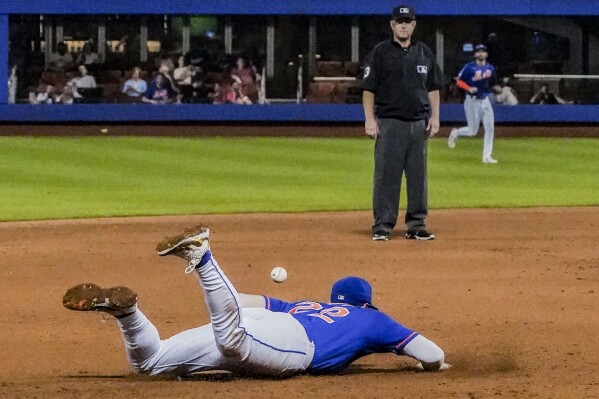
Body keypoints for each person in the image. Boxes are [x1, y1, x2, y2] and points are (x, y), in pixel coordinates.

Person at [63, 223, 451, 377]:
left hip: (262, 324)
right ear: (365, 303)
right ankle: (202, 257)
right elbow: (431, 352)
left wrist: (226, 305)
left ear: (333, 298)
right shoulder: (373, 319)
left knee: (150, 364)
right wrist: (427, 367)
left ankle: (127, 313)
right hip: (294, 345)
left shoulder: (303, 304)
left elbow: (244, 301)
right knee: (232, 341)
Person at [361, 5, 445, 242]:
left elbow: (433, 87)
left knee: (419, 178)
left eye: (408, 21)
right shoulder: (380, 52)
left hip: (418, 124)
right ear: (392, 25)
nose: (404, 25)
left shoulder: (424, 53)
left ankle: (416, 225)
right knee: (386, 177)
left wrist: (436, 116)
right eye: (400, 21)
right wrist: (369, 119)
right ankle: (382, 226)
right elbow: (368, 89)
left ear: (414, 25)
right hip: (389, 122)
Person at [447, 44, 498, 164]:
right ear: (475, 54)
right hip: (472, 101)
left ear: (486, 54)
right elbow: (458, 81)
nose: (481, 53)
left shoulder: (490, 68)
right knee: (473, 131)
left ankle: (487, 156)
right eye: (478, 51)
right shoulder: (469, 67)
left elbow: (492, 81)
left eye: (483, 51)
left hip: (485, 100)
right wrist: (468, 88)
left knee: (490, 128)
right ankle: (456, 133)